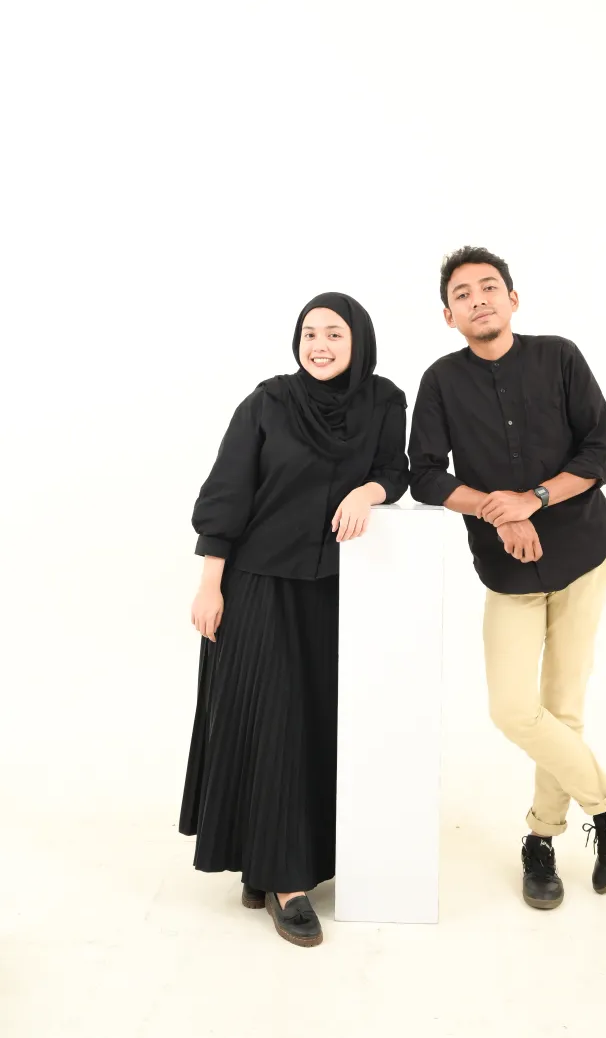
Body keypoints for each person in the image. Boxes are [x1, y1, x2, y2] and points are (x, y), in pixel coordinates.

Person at [408, 247, 606, 910]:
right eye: (463, 294)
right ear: (448, 315)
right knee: (514, 709)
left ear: (513, 299)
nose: (478, 300)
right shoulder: (440, 381)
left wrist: (534, 500)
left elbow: (602, 450)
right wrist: (499, 510)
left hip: (582, 556)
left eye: (489, 287)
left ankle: (541, 840)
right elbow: (424, 474)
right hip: (507, 571)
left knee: (563, 710)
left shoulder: (559, 357)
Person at [179, 292, 409, 947]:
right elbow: (227, 492)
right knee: (270, 724)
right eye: (310, 333)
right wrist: (210, 585)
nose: (320, 345)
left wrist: (367, 491)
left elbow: (394, 470)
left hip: (335, 591)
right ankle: (284, 882)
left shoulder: (384, 401)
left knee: (313, 727)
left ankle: (269, 861)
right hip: (258, 585)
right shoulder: (268, 403)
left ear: (358, 341)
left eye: (334, 333)